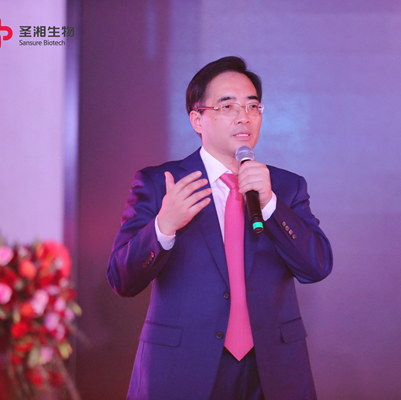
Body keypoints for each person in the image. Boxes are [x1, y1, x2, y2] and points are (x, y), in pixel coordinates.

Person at [107, 56, 333, 400]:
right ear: (197, 119)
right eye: (228, 106)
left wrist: (271, 204)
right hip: (182, 366)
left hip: (272, 369)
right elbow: (121, 279)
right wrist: (163, 227)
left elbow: (317, 266)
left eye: (253, 106)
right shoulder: (161, 183)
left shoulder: (285, 187)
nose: (244, 116)